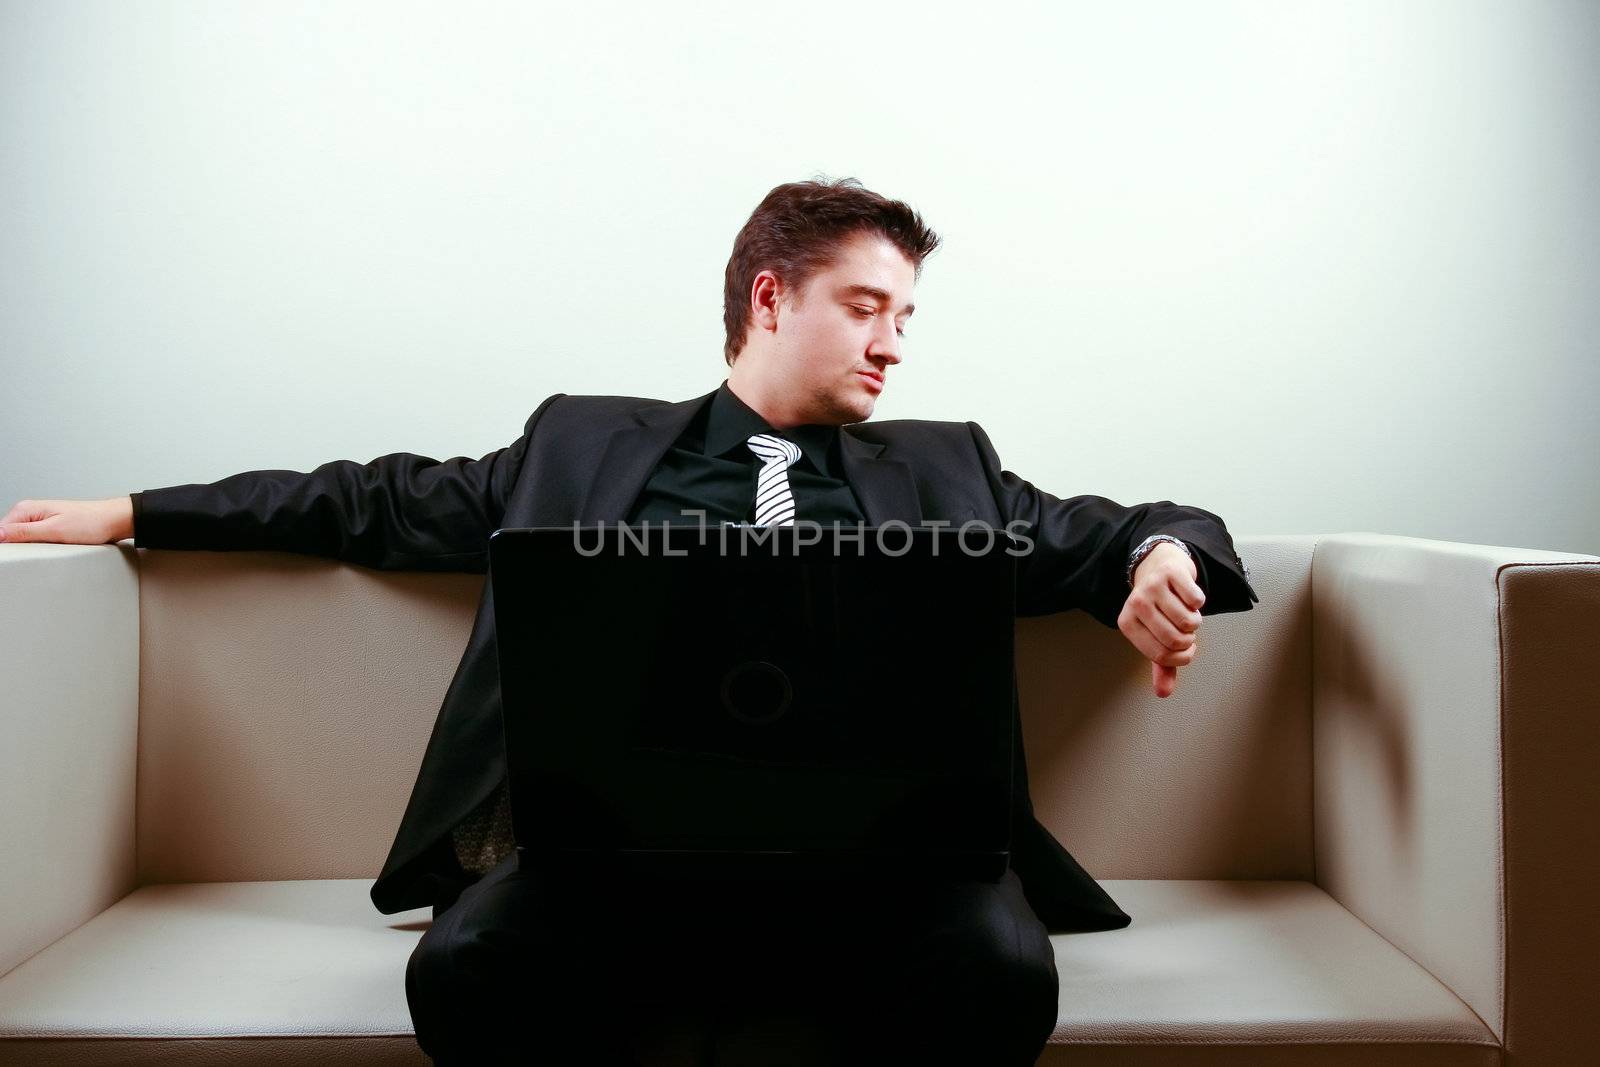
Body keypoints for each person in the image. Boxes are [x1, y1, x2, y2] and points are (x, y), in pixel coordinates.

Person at [1, 177, 1258, 1065]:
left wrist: (1158, 556)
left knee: (1003, 973)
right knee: (462, 969)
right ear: (770, 298)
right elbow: (368, 501)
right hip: (607, 857)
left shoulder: (947, 466)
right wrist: (129, 509)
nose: (895, 345)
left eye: (906, 317)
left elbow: (1126, 521)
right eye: (869, 306)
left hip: (884, 870)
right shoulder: (580, 444)